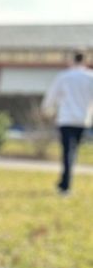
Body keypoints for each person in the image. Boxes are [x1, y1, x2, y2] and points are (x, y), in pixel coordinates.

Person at [42, 52, 93, 196]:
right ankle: (65, 182)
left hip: (66, 119)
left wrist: (46, 110)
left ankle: (65, 185)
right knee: (73, 151)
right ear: (85, 60)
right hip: (82, 120)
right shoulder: (90, 77)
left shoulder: (64, 77)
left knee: (68, 152)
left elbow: (51, 96)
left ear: (72, 59)